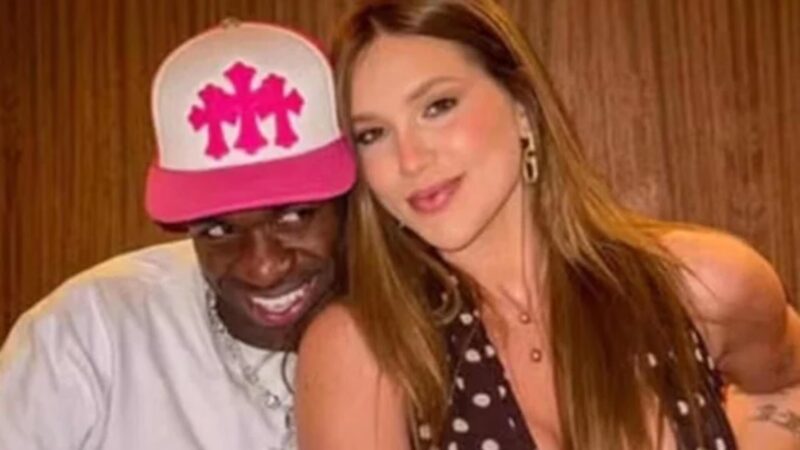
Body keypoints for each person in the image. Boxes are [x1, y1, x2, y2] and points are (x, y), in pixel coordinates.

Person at [295, 1, 800, 449]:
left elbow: (785, 385)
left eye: (438, 107)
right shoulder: (362, 352)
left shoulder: (697, 285)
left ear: (522, 107)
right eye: (373, 134)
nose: (410, 159)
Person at [0, 20, 355, 449]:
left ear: (352, 200)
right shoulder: (87, 331)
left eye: (295, 216)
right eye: (219, 230)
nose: (262, 268)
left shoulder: (410, 328)